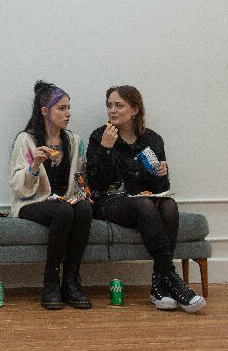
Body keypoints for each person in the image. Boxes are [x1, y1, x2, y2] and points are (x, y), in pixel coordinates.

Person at [85, 85, 206, 313]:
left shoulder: (152, 140)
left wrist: (162, 174)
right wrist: (106, 150)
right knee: (144, 205)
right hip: (110, 201)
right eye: (109, 105)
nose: (112, 110)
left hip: (143, 200)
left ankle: (159, 287)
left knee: (169, 205)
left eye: (119, 105)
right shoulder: (99, 136)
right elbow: (96, 183)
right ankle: (172, 277)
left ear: (135, 109)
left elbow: (161, 188)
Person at [9, 81, 93, 310]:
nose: (68, 114)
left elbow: (81, 176)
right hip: (32, 202)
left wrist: (83, 194)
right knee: (63, 210)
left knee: (84, 209)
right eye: (62, 108)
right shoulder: (26, 140)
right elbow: (17, 186)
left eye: (69, 108)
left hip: (64, 200)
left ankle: (71, 281)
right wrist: (35, 165)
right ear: (45, 111)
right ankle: (51, 281)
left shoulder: (74, 141)